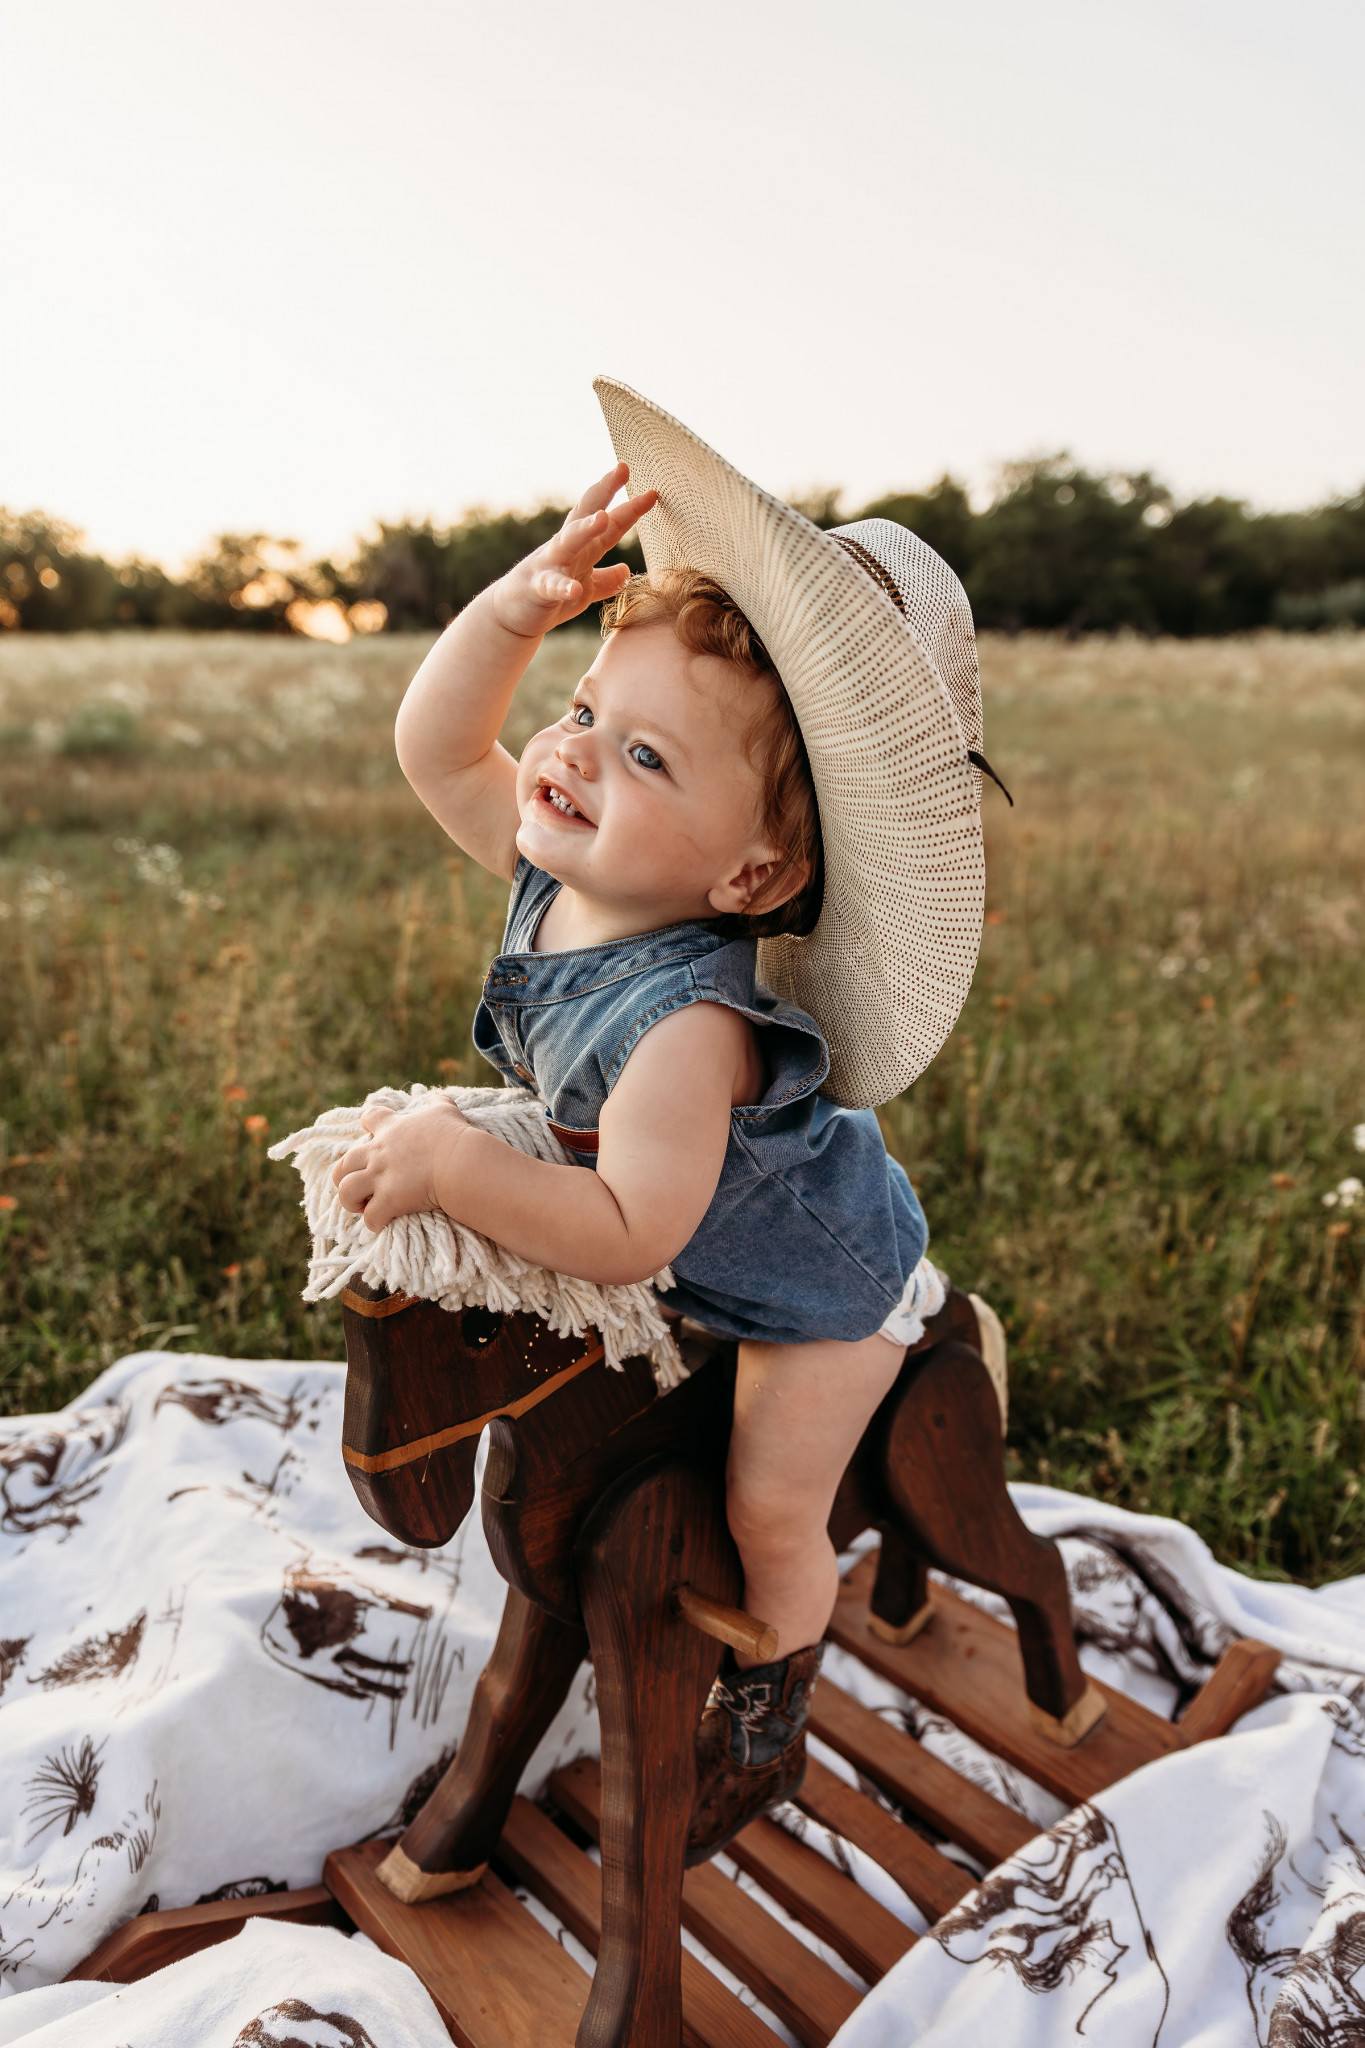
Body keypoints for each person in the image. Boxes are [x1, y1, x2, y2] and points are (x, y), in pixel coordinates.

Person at [332, 380, 993, 1854]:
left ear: (748, 876)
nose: (569, 754)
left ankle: (769, 1700)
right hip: (696, 1229)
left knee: (767, 1512)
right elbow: (436, 751)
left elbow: (629, 1232)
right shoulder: (563, 873)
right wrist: (516, 609)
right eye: (584, 712)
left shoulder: (690, 1032)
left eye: (644, 758)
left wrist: (453, 1162)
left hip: (817, 1293)